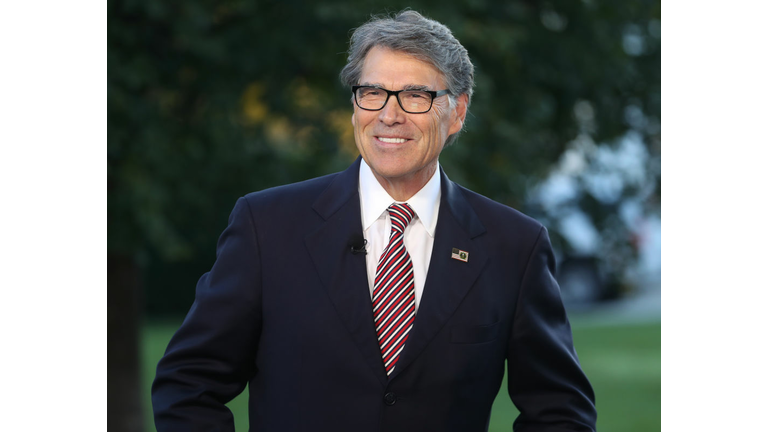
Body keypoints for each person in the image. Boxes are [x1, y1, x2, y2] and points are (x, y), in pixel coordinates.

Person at [152, 10, 597, 432]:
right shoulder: (267, 226)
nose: (389, 114)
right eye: (372, 93)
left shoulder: (513, 246)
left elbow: (560, 412)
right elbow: (189, 383)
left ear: (457, 112)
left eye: (415, 96)